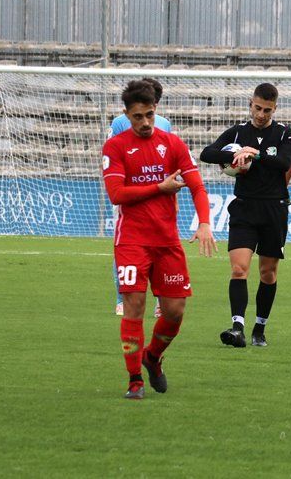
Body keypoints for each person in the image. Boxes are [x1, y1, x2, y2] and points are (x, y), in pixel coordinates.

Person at [101, 80, 217, 399]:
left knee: (175, 310)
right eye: (137, 117)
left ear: (156, 111)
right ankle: (134, 379)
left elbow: (196, 185)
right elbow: (116, 194)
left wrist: (204, 222)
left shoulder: (173, 144)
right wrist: (158, 188)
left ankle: (152, 357)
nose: (145, 122)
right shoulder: (115, 146)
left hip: (167, 242)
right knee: (134, 307)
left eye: (149, 115)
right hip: (132, 242)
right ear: (127, 115)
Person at [200, 83, 291, 347]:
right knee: (239, 268)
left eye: (267, 110)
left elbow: (285, 162)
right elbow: (206, 153)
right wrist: (234, 155)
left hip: (274, 208)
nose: (261, 114)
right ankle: (237, 328)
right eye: (257, 108)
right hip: (244, 207)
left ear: (274, 109)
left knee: (268, 273)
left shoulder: (285, 134)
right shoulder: (238, 132)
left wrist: (255, 154)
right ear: (250, 104)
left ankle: (259, 328)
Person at [110, 77, 170, 318]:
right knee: (124, 248)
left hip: (157, 196)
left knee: (159, 249)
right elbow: (112, 154)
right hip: (129, 196)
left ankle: (159, 300)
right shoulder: (118, 123)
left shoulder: (165, 124)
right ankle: (122, 298)